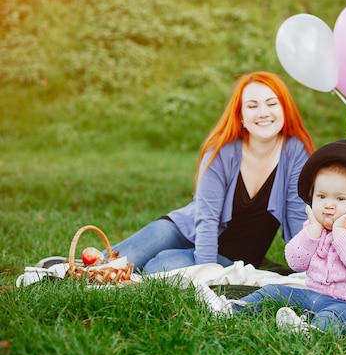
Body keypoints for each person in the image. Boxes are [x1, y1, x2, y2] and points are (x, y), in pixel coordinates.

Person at [109, 71, 316, 274]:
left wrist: (307, 271)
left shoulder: (296, 152)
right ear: (241, 115)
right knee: (107, 264)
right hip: (181, 229)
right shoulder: (222, 150)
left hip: (233, 256)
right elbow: (206, 217)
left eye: (272, 103)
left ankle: (166, 259)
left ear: (284, 109)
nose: (263, 112)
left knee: (159, 269)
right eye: (252, 106)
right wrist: (205, 269)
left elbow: (299, 220)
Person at [197, 140, 346, 336]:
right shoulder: (315, 227)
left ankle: (311, 332)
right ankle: (232, 310)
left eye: (340, 199)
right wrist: (312, 233)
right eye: (321, 197)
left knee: (335, 316)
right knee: (274, 291)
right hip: (314, 296)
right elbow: (295, 262)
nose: (329, 205)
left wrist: (340, 232)